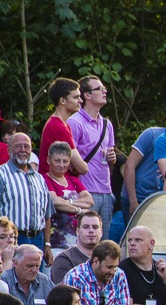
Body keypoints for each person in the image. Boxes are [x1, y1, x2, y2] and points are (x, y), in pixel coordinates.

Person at [67, 75, 116, 238]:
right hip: (85, 191)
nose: (104, 92)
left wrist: (112, 159)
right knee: (84, 238)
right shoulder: (75, 122)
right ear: (87, 95)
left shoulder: (107, 124)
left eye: (104, 89)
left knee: (104, 241)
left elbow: (110, 160)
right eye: (100, 89)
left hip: (106, 191)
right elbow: (68, 157)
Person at [0, 134, 54, 266]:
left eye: (26, 147)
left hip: (38, 240)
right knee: (12, 276)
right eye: (18, 146)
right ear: (9, 149)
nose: (23, 150)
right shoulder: (2, 174)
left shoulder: (39, 178)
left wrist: (47, 244)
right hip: (13, 240)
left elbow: (47, 215)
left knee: (35, 277)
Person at [43, 142, 93, 252]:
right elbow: (54, 201)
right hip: (56, 242)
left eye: (65, 161)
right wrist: (79, 210)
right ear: (48, 160)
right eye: (57, 161)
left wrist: (67, 202)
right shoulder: (44, 179)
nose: (61, 165)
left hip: (77, 243)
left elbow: (89, 201)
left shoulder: (73, 180)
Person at [39, 78, 87, 176]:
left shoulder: (60, 123)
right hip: (54, 183)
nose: (81, 101)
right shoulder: (58, 127)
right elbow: (82, 168)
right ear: (62, 101)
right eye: (76, 97)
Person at [51, 211, 102, 284]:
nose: (91, 230)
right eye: (86, 227)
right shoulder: (64, 260)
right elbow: (63, 290)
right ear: (77, 231)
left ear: (101, 232)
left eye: (95, 227)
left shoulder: (108, 258)